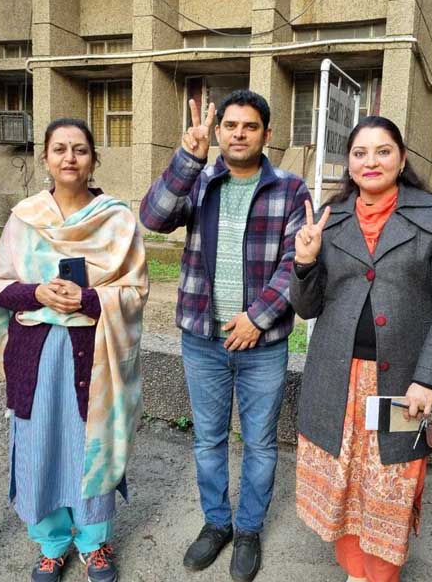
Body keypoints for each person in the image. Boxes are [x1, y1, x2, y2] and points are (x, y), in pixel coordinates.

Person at [139, 90, 310, 582]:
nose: (238, 133)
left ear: (267, 134)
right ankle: (217, 524)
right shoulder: (199, 180)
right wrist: (187, 158)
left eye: (249, 126)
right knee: (209, 441)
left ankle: (250, 528)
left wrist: (257, 318)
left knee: (258, 442)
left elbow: (295, 262)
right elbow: (153, 218)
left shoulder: (290, 189)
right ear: (218, 132)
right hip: (203, 340)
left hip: (263, 344)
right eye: (230, 125)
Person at [291, 116, 432, 582]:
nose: (371, 161)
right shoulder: (330, 219)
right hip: (337, 376)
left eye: (383, 150)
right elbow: (306, 308)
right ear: (348, 163)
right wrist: (304, 262)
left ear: (402, 158)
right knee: (345, 480)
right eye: (360, 152)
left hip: (401, 378)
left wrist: (429, 378)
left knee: (391, 484)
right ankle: (355, 570)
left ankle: (381, 574)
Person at [0, 118, 148, 582]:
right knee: (41, 447)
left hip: (95, 356)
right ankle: (52, 543)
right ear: (46, 158)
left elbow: (135, 291)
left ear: (94, 159)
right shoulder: (24, 217)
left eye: (79, 150)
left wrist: (90, 298)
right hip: (36, 357)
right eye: (59, 149)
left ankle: (95, 543)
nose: (69, 158)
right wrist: (36, 294)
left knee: (90, 447)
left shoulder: (116, 220)